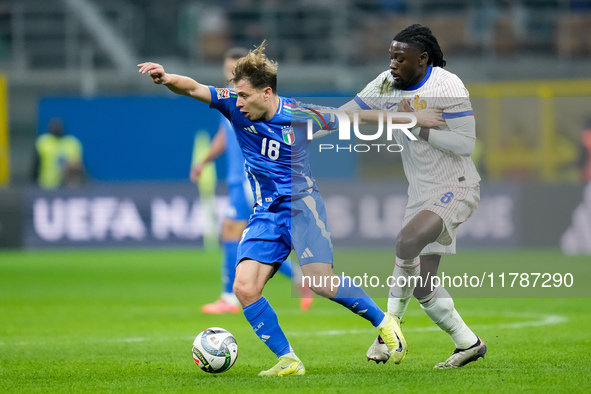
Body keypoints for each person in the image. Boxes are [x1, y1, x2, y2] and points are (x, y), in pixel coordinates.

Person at [139, 42, 408, 377]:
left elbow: (352, 117)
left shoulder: (301, 116)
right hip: (266, 213)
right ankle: (289, 360)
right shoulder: (234, 106)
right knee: (244, 288)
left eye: (244, 96)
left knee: (320, 282)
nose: (237, 102)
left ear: (266, 93)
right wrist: (166, 79)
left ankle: (385, 323)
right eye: (235, 95)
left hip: (302, 208)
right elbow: (193, 87)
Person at [341, 24, 487, 369]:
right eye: (390, 56)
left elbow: (466, 144)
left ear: (422, 60)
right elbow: (346, 114)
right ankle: (469, 343)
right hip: (420, 192)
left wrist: (417, 127)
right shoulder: (386, 82)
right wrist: (404, 117)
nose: (392, 64)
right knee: (423, 285)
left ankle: (386, 334)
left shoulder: (446, 85)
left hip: (457, 185)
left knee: (406, 243)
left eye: (400, 58)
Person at [190, 47, 313, 314]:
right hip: (236, 176)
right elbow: (225, 135)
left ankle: (230, 296)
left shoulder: (252, 101)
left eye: (236, 70)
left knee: (237, 232)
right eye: (228, 70)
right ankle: (295, 280)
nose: (231, 75)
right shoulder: (233, 100)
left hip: (251, 179)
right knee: (235, 233)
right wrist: (207, 159)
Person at [32, 117, 84, 189]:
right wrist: (34, 183)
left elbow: (78, 166)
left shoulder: (72, 143)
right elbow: (35, 165)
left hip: (68, 186)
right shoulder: (43, 142)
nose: (56, 128)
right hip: (47, 185)